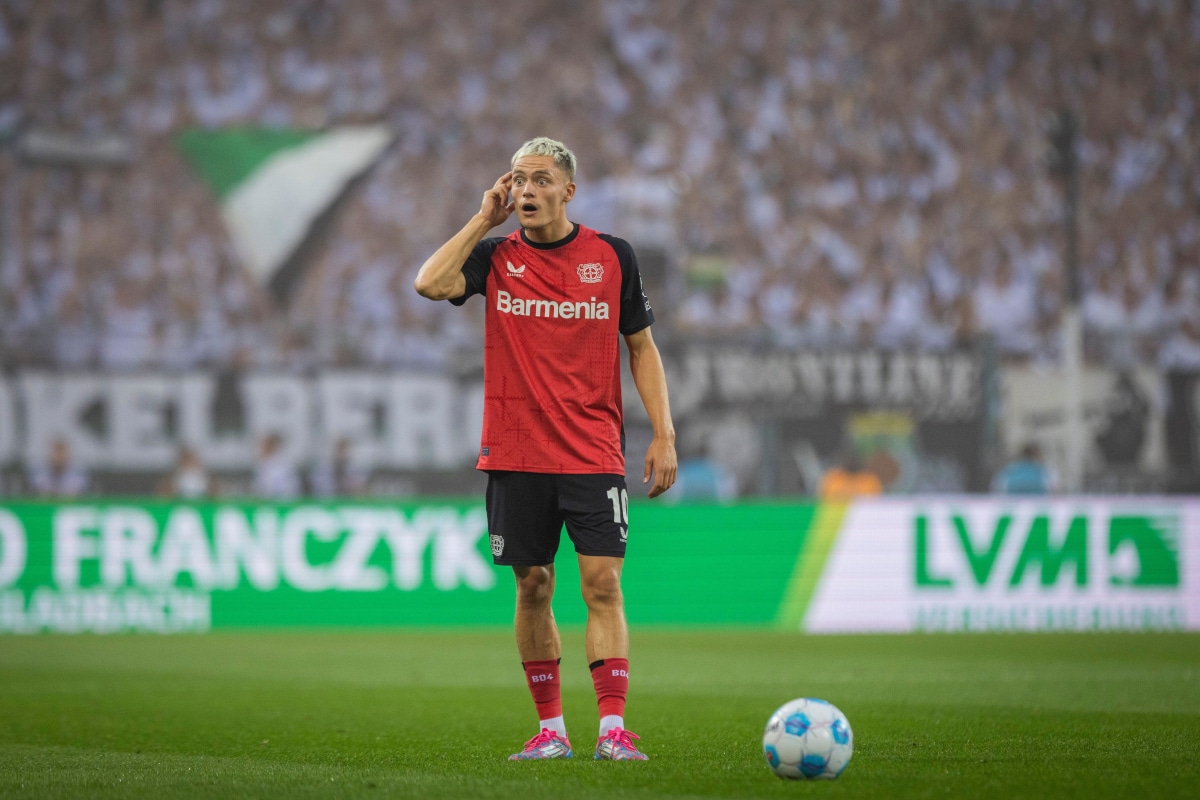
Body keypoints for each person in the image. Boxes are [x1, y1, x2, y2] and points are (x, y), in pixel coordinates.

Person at [414, 137, 677, 762]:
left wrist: (664, 432)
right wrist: (484, 216)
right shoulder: (494, 255)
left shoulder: (612, 257)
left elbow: (641, 347)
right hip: (514, 450)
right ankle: (551, 731)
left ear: (568, 191)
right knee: (532, 585)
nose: (526, 190)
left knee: (603, 584)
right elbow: (428, 283)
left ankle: (612, 731)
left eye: (539, 179)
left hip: (592, 449)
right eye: (518, 179)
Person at [817, 448, 883, 501]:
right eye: (847, 459)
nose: (850, 462)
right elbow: (823, 498)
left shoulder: (868, 479)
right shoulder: (833, 477)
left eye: (852, 460)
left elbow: (876, 502)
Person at [992, 442, 1056, 495]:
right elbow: (1054, 489)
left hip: (1012, 503)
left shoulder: (1010, 469)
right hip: (1037, 504)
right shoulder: (1044, 469)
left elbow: (996, 488)